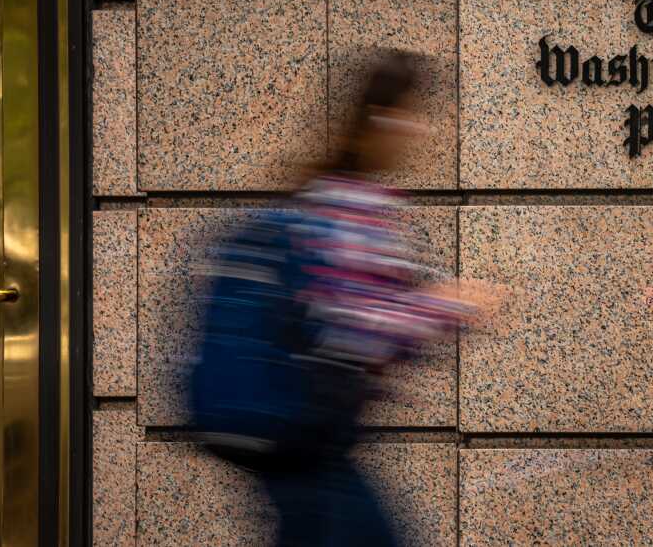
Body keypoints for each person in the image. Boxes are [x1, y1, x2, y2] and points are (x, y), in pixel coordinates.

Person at [190, 51, 489, 546]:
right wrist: (448, 305)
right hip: (310, 437)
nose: (423, 131)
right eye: (415, 115)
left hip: (310, 439)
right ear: (381, 120)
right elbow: (352, 326)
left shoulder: (329, 198)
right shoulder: (350, 207)